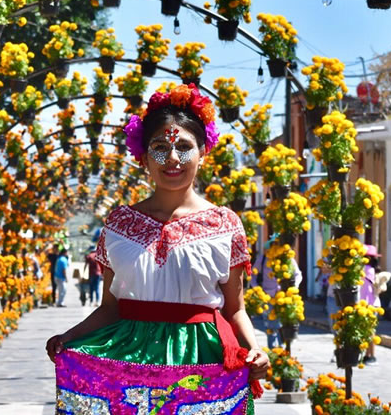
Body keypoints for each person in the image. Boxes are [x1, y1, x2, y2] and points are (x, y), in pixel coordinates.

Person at [45, 84, 267, 412]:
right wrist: (68, 338)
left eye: (184, 147)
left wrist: (255, 349)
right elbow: (110, 308)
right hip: (130, 360)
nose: (173, 159)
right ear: (144, 156)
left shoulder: (225, 224)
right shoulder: (119, 223)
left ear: (203, 151)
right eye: (160, 148)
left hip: (201, 362)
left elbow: (234, 309)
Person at [250, 238, 302, 349]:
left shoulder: (288, 259)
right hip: (268, 297)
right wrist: (257, 289)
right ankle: (274, 350)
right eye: (273, 245)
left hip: (285, 296)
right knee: (271, 325)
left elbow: (298, 274)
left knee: (284, 324)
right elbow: (252, 275)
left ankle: (283, 349)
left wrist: (294, 287)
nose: (275, 248)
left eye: (278, 245)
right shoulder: (263, 259)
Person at [361, 245, 385, 364]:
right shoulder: (374, 270)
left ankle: (370, 355)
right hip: (373, 303)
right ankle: (368, 354)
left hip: (366, 303)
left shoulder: (366, 269)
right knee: (370, 329)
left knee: (368, 330)